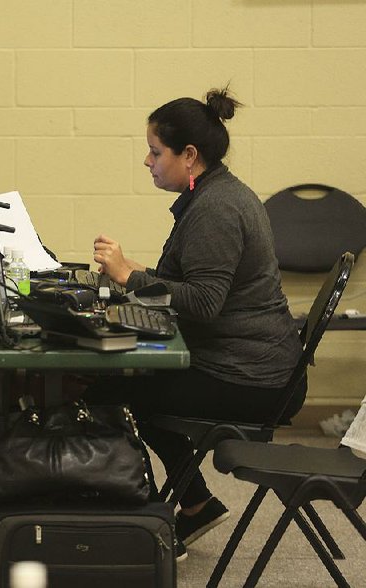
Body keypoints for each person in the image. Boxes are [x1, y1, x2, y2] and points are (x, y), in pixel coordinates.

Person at [88, 88, 305, 559]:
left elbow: (204, 302)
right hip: (247, 361)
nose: (148, 161)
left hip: (253, 376)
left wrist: (129, 275)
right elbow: (189, 286)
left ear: (189, 156)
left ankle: (149, 516)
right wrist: (131, 280)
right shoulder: (211, 194)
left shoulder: (217, 209)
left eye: (154, 151)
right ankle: (195, 503)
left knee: (109, 386)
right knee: (121, 376)